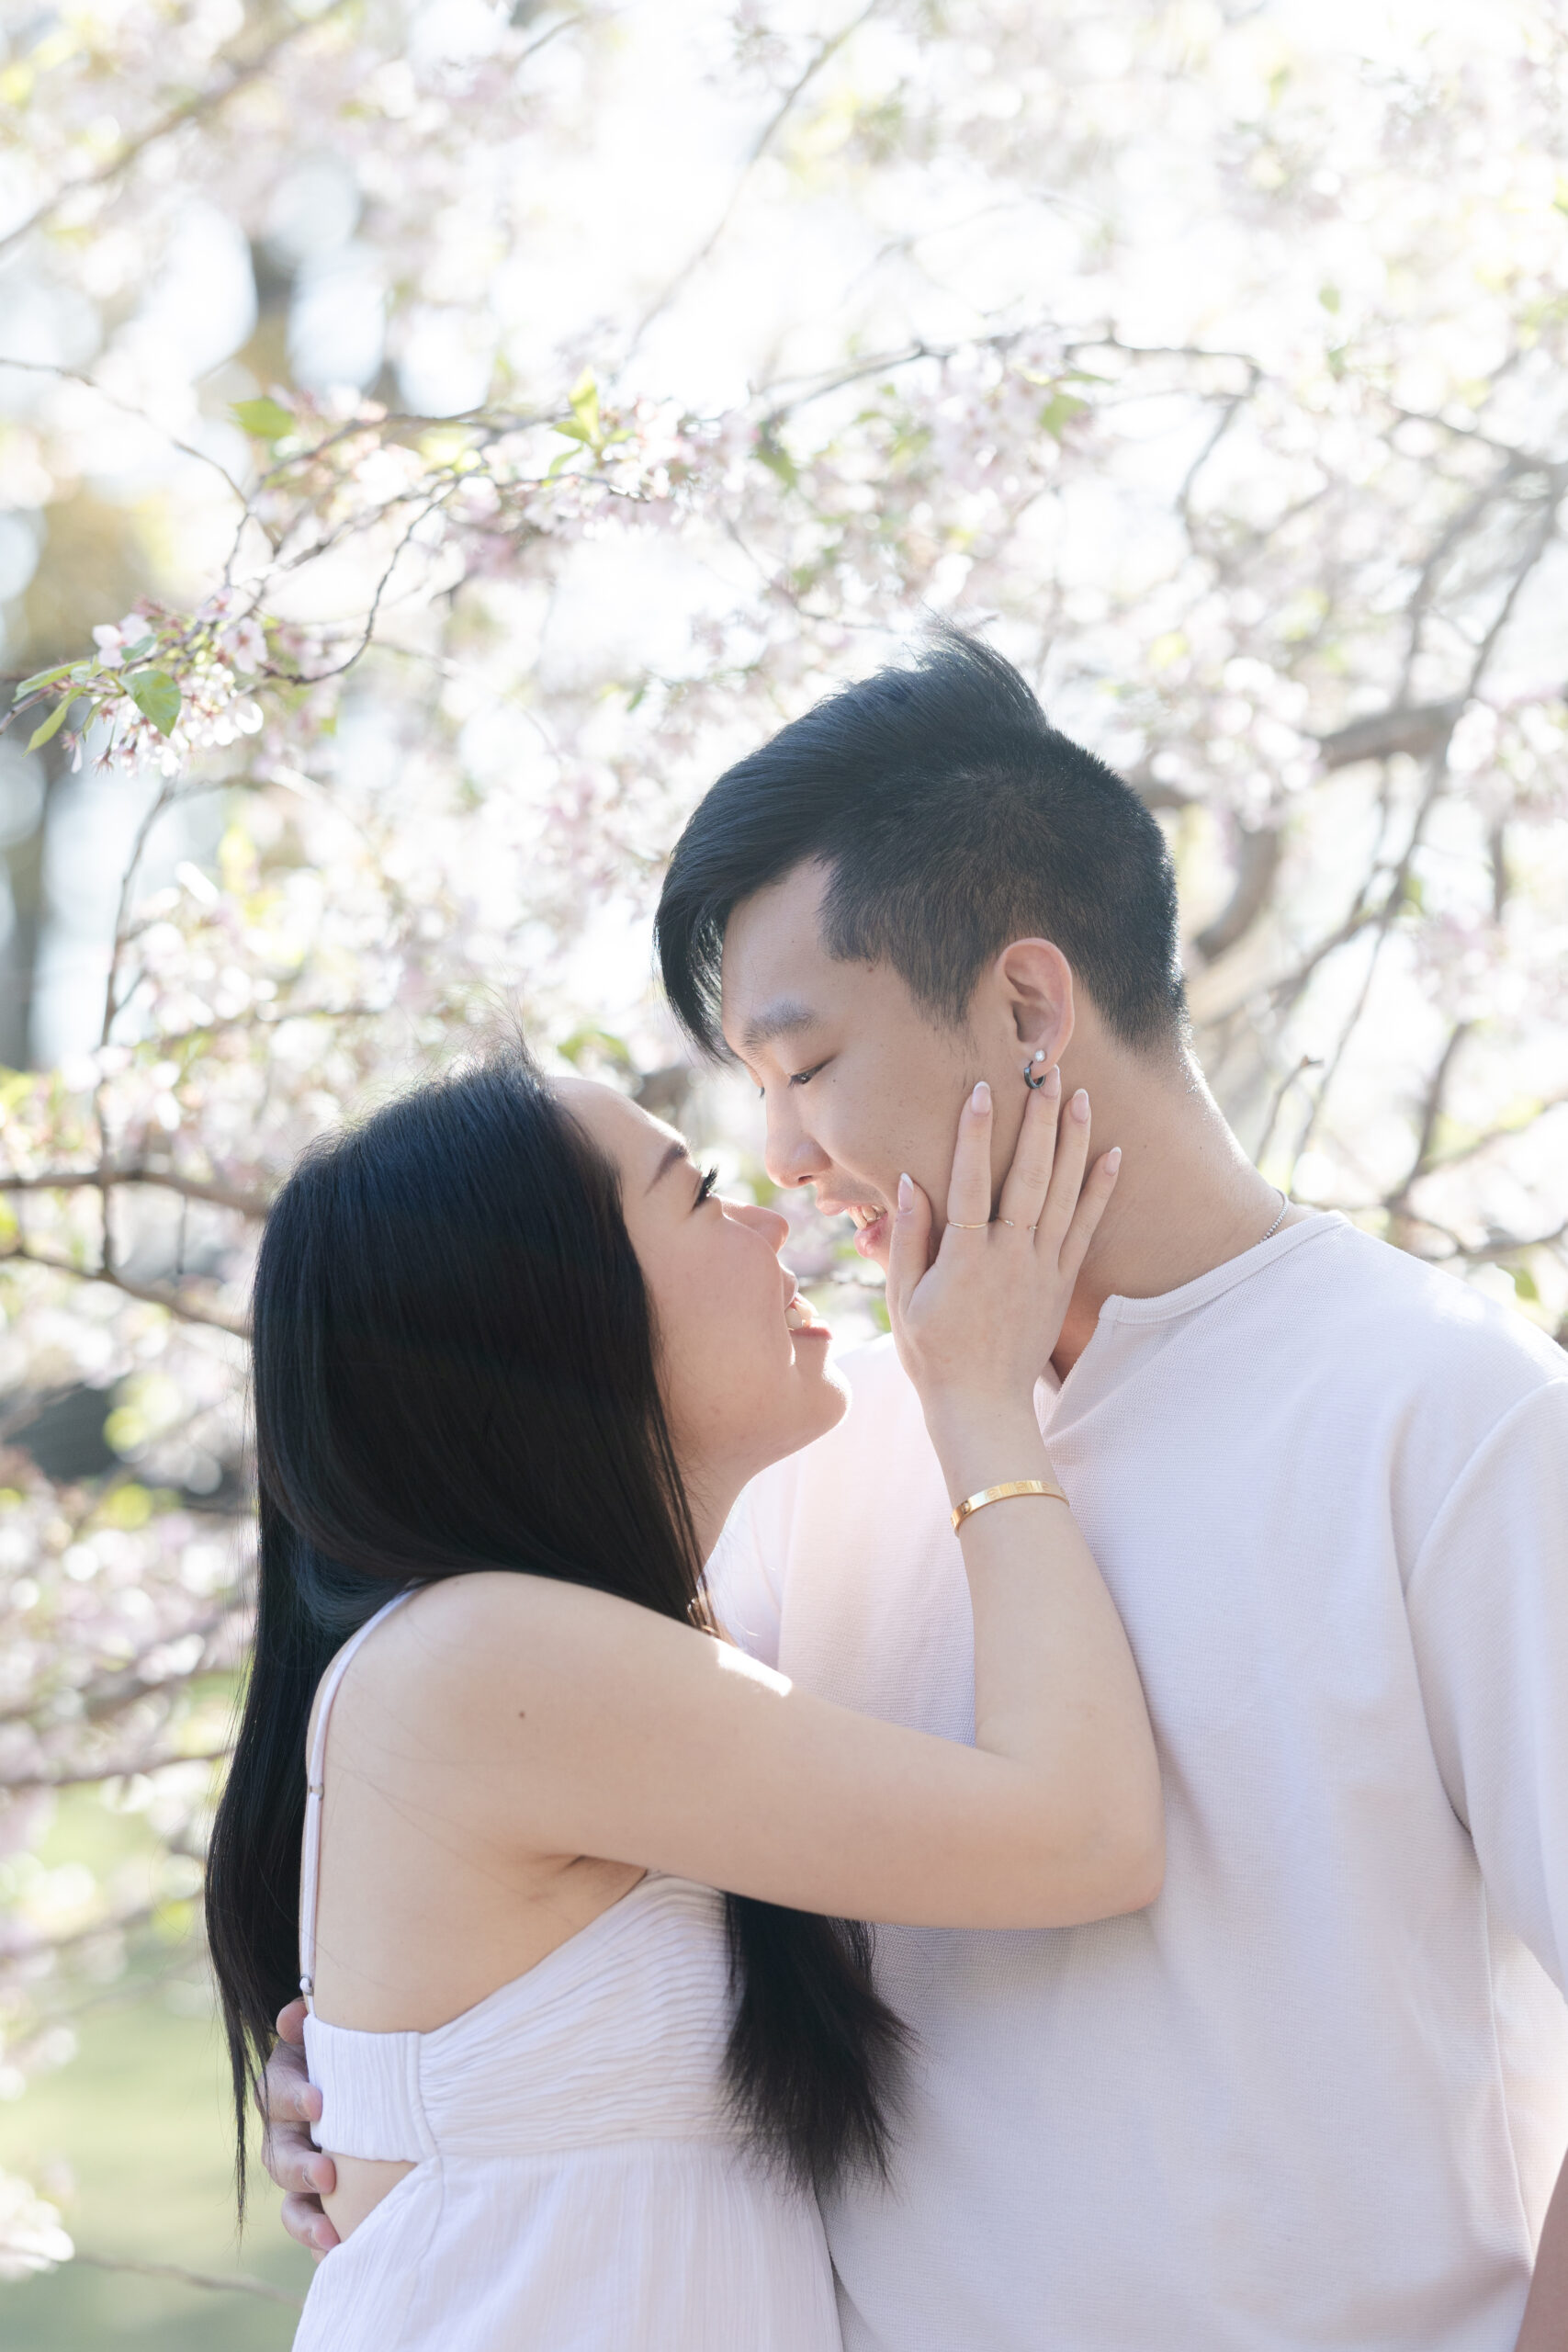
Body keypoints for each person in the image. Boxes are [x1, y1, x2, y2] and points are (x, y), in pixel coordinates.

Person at [262, 630, 1568, 2351]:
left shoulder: (1451, 1415)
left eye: (804, 1069)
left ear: (1029, 1007)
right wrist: (385, 2073)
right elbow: (629, 1910)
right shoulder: (824, 1447)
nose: (786, 1167)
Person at [209, 1035, 1160, 2352]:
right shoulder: (493, 1658)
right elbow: (1087, 1835)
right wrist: (984, 1403)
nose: (772, 1214)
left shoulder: (618, 1650)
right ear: (551, 1317)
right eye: (702, 1192)